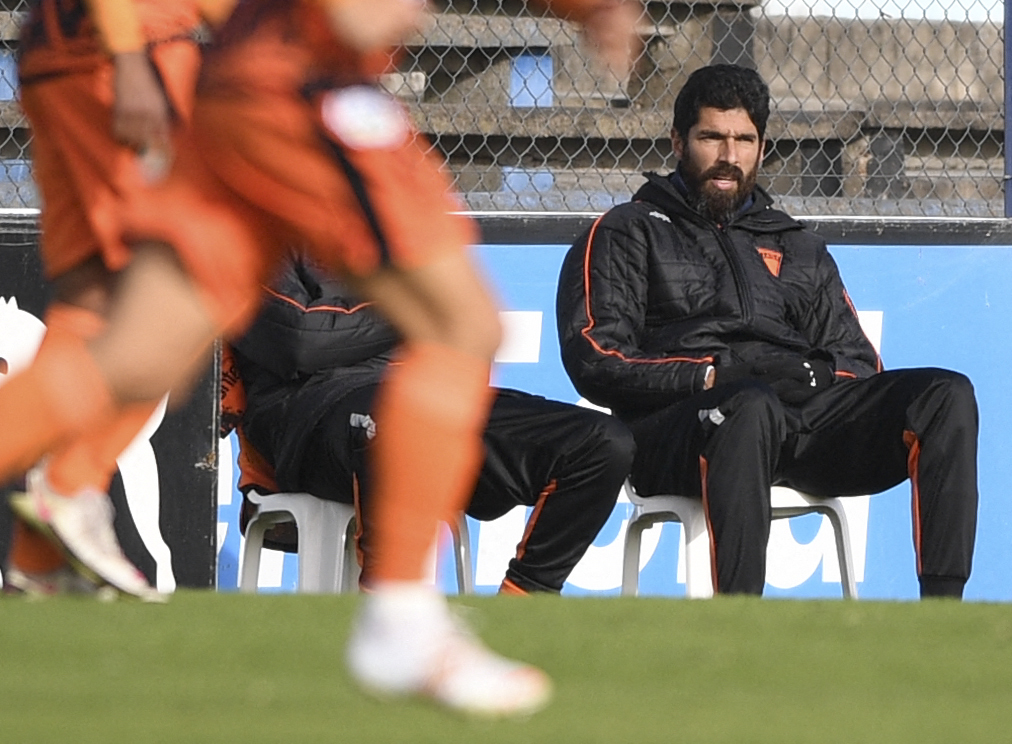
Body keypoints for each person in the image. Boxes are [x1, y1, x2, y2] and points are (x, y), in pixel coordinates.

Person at [0, 0, 642, 715]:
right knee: (459, 325)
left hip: (225, 86)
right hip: (296, 84)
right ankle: (400, 617)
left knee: (141, 354)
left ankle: (54, 526)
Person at [555, 63, 979, 598]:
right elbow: (595, 357)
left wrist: (810, 376)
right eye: (711, 137)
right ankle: (743, 621)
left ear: (761, 146)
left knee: (946, 395)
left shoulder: (797, 243)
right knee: (747, 403)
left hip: (796, 423)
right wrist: (714, 375)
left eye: (744, 139)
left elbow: (860, 364)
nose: (729, 156)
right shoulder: (627, 230)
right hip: (677, 433)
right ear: (678, 142)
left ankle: (942, 617)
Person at [226, 254, 635, 595]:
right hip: (313, 415)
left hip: (429, 395)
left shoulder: (403, 234)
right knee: (396, 420)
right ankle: (391, 614)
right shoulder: (262, 230)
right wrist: (414, 313)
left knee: (601, 443)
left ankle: (521, 608)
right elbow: (300, 342)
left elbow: (470, 324)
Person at [4, 0, 235, 600]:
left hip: (64, 51)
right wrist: (130, 57)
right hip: (125, 50)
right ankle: (73, 479)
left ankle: (37, 560)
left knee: (92, 299)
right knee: (190, 289)